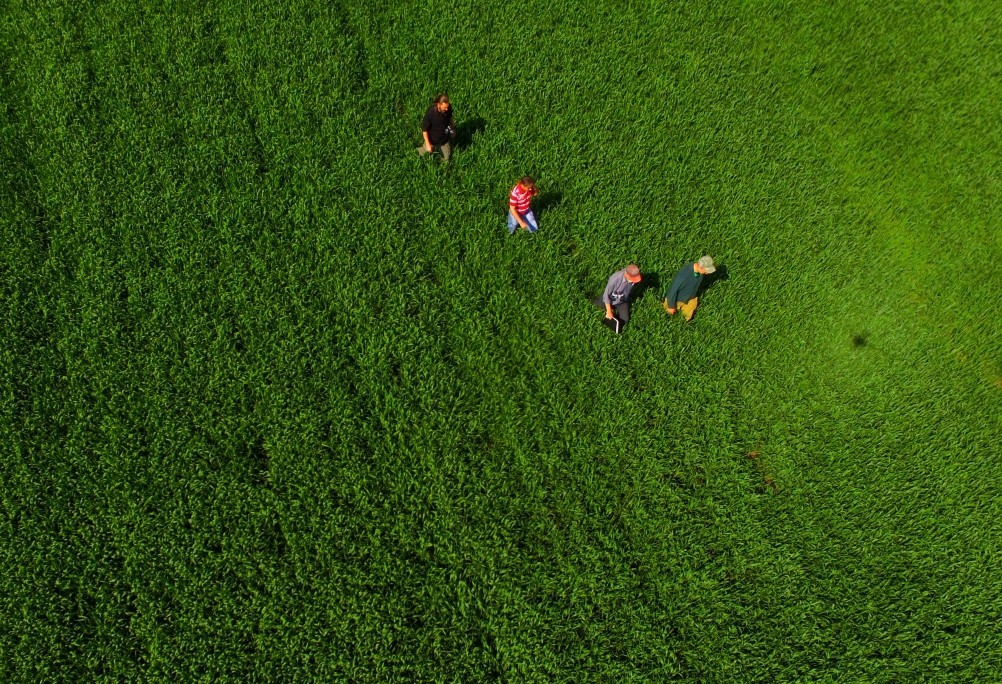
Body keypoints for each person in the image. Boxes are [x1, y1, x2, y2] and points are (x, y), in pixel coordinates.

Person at [663, 256, 716, 321]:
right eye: (706, 271)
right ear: (701, 267)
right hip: (677, 300)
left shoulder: (699, 272)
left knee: (686, 317)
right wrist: (671, 306)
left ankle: (684, 323)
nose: (707, 273)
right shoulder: (683, 276)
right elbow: (672, 291)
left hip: (690, 299)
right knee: (668, 316)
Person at [417, 93, 455, 163]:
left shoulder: (448, 108)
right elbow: (424, 129)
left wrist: (453, 128)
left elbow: (450, 118)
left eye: (447, 107)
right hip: (432, 139)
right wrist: (428, 144)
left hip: (444, 139)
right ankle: (415, 154)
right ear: (438, 105)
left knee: (446, 158)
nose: (447, 109)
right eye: (444, 107)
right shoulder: (431, 113)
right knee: (424, 152)